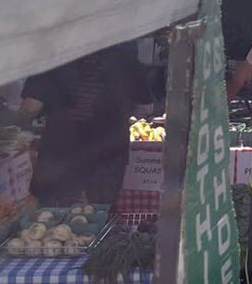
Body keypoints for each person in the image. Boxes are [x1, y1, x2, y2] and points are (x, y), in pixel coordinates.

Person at [19, 43, 153, 206]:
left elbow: (31, 107)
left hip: (60, 153)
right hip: (107, 154)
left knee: (50, 216)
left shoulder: (55, 55)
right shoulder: (125, 56)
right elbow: (145, 108)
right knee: (99, 213)